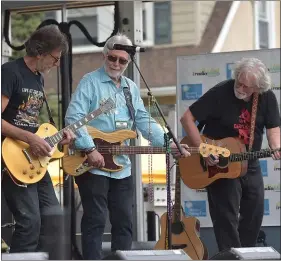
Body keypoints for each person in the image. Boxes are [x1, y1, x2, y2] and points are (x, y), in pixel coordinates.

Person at [65, 32, 190, 260]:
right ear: (105, 56)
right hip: (91, 163)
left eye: (122, 60)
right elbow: (73, 117)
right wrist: (90, 148)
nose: (116, 64)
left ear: (129, 61)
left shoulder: (130, 88)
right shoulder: (90, 82)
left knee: (124, 221)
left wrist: (168, 143)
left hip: (121, 166)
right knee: (95, 219)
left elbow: (143, 120)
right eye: (112, 58)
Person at [180, 57, 280, 251]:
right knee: (226, 216)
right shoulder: (221, 92)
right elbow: (187, 118)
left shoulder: (266, 98)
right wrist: (203, 148)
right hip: (218, 162)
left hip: (249, 162)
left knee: (255, 212)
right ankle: (230, 255)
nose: (241, 88)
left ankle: (246, 252)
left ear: (257, 88)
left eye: (247, 87)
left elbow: (273, 127)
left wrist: (276, 146)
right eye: (238, 82)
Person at [1, 25, 76, 256]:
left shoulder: (38, 80)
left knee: (52, 218)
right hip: (11, 157)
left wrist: (53, 138)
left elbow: (28, 121)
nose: (56, 64)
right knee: (30, 222)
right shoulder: (10, 72)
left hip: (34, 159)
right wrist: (29, 138)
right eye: (55, 58)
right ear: (40, 51)